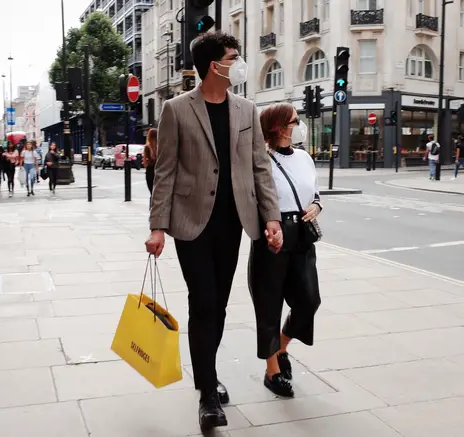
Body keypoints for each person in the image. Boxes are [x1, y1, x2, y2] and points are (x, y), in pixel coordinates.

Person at [144, 31, 282, 432]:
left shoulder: (247, 110)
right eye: (233, 56)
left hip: (233, 223)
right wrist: (158, 226)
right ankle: (207, 392)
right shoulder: (176, 109)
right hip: (191, 223)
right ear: (213, 65)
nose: (239, 62)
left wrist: (270, 218)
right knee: (203, 303)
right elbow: (165, 170)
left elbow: (260, 169)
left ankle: (208, 371)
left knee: (218, 306)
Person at [248, 103, 322, 398]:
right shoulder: (261, 159)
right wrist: (268, 227)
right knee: (268, 307)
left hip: (302, 237)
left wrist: (317, 205)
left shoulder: (304, 157)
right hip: (273, 239)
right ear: (279, 127)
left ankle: (281, 347)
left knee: (309, 301)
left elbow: (314, 193)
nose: (299, 124)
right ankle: (271, 372)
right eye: (294, 121)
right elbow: (254, 199)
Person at [143, 128, 157, 197]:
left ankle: (152, 207)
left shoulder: (147, 147)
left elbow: (144, 163)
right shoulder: (160, 146)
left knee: (152, 193)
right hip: (158, 170)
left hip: (150, 171)